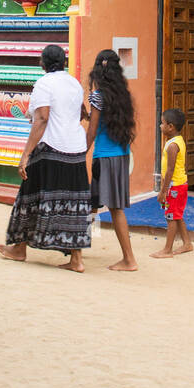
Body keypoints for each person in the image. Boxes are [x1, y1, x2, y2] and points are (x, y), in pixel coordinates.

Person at [0, 45, 92, 272]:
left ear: (43, 63)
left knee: (29, 196)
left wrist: (26, 154)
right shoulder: (74, 83)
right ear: (63, 62)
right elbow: (81, 112)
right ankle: (76, 259)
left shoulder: (44, 83)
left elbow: (42, 118)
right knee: (75, 203)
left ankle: (19, 248)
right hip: (76, 148)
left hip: (51, 147)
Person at [86, 50, 138, 272]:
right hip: (120, 155)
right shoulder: (122, 95)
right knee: (91, 203)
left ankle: (129, 259)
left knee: (113, 209)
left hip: (105, 157)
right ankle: (77, 248)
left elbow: (93, 130)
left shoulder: (98, 96)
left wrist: (79, 153)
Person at [152, 108, 193, 258]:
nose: (160, 126)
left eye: (162, 123)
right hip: (178, 184)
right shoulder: (177, 141)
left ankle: (167, 250)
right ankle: (187, 243)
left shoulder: (172, 146)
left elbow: (170, 170)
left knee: (171, 217)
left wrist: (163, 191)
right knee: (177, 215)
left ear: (171, 127)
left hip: (174, 186)